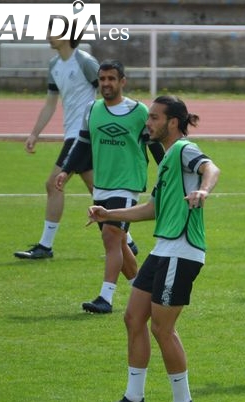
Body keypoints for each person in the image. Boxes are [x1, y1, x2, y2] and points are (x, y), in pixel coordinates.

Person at [89, 95, 220, 402]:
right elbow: (153, 208)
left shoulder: (183, 150)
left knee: (162, 328)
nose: (147, 123)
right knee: (133, 318)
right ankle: (134, 399)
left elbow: (211, 167)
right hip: (163, 249)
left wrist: (204, 191)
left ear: (172, 122)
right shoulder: (166, 160)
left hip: (183, 249)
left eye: (153, 118)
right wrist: (109, 213)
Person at [14, 38, 138, 259]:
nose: (48, 35)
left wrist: (105, 126)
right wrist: (35, 133)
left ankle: (45, 246)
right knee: (99, 191)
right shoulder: (54, 65)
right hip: (74, 134)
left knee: (53, 185)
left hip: (83, 135)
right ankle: (128, 242)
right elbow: (51, 102)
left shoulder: (85, 61)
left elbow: (107, 92)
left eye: (53, 30)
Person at [56, 59, 154, 314]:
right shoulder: (92, 109)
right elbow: (82, 144)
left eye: (111, 78)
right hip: (101, 185)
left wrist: (170, 170)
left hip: (128, 183)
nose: (106, 84)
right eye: (102, 79)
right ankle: (145, 293)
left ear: (122, 81)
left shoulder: (139, 111)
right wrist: (66, 170)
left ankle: (105, 299)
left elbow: (154, 145)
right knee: (118, 244)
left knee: (111, 237)